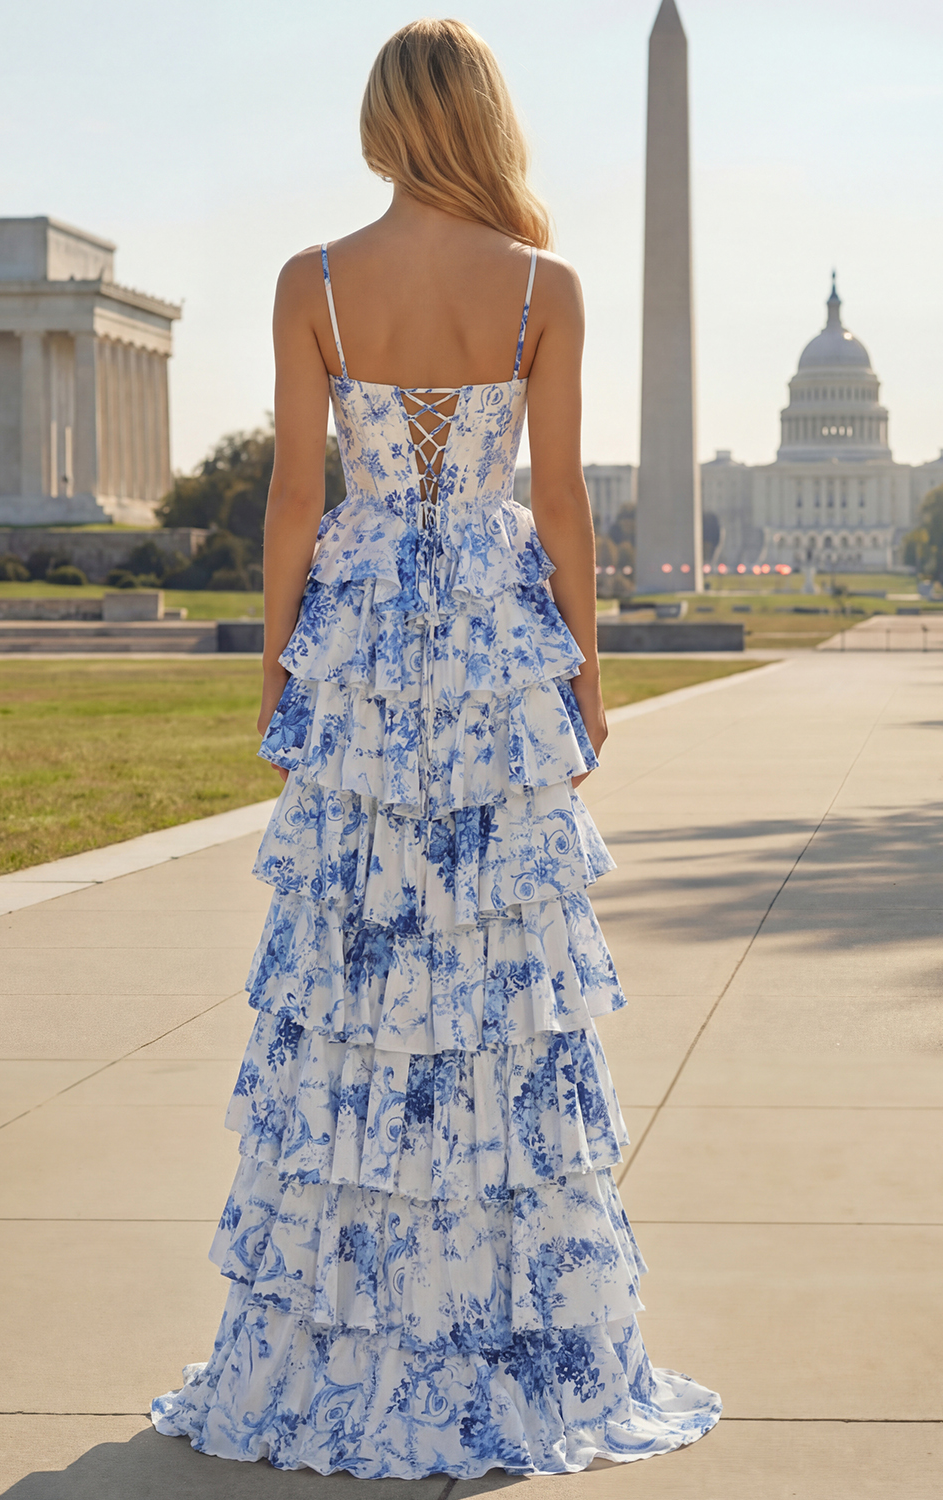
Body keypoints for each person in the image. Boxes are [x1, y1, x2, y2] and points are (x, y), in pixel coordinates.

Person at [152, 17, 721, 1478]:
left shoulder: (316, 282)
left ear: (383, 121)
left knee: (352, 982)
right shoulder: (544, 286)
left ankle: (349, 1324)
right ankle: (504, 1320)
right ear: (484, 119)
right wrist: (583, 671)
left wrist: (282, 660)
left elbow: (294, 493)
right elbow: (567, 506)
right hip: (488, 646)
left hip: (359, 654)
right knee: (500, 981)